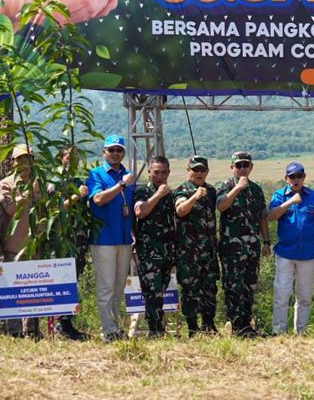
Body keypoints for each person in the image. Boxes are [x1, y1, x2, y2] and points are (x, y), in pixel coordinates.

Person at [86, 134, 135, 342]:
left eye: (119, 150)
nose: (115, 153)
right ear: (104, 152)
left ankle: (116, 327)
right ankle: (108, 331)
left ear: (123, 153)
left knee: (119, 287)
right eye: (111, 150)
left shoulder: (128, 175)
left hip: (124, 238)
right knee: (106, 286)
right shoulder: (96, 174)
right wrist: (120, 187)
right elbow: (98, 199)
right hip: (104, 238)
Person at [215, 151, 270, 337]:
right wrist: (237, 188)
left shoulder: (256, 189)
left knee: (249, 286)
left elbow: (262, 216)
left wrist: (266, 241)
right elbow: (222, 206)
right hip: (232, 249)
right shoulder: (226, 185)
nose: (242, 168)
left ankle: (247, 326)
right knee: (233, 287)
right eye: (238, 165)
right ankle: (236, 326)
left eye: (246, 165)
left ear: (251, 167)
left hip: (252, 247)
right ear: (232, 168)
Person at [267, 162, 314, 335]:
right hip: (285, 252)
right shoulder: (279, 196)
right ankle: (279, 331)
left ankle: (301, 331)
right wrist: (290, 202)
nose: (296, 180)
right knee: (282, 293)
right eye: (292, 177)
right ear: (286, 179)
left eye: (299, 176)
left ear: (304, 177)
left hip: (307, 253)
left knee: (305, 296)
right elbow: (271, 216)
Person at [0, 143, 43, 339]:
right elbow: (11, 210)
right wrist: (28, 192)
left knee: (34, 288)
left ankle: (32, 329)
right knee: (14, 288)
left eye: (27, 158)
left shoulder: (40, 182)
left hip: (36, 243)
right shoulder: (6, 184)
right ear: (13, 162)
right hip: (14, 244)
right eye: (19, 159)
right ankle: (14, 331)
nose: (23, 163)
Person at [174, 155, 219, 336]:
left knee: (210, 288)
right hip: (189, 251)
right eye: (195, 170)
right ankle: (192, 328)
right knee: (190, 289)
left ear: (207, 171)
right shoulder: (182, 190)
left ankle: (208, 325)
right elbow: (180, 210)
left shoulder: (211, 191)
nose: (199, 173)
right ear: (188, 171)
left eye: (202, 170)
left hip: (208, 250)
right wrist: (194, 197)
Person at [133, 155, 178, 337]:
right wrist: (158, 194)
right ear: (150, 172)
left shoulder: (171, 194)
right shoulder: (143, 192)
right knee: (152, 292)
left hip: (167, 250)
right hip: (149, 251)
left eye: (164, 172)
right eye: (156, 172)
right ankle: (155, 330)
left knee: (162, 289)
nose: (160, 176)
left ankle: (159, 327)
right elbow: (141, 212)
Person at [56, 146, 89, 340]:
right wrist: (77, 196)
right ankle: (62, 324)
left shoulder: (77, 181)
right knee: (63, 281)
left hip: (78, 239)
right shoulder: (55, 182)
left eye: (76, 158)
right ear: (61, 159)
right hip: (63, 240)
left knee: (73, 281)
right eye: (69, 157)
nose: (72, 161)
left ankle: (68, 322)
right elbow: (54, 208)